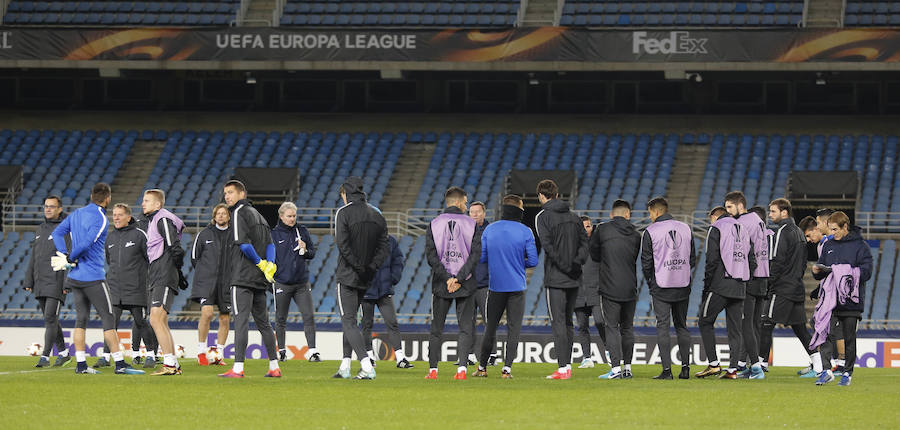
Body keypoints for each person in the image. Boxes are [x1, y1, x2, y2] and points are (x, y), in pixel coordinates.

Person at [50, 183, 142, 374]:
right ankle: (119, 364)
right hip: (93, 277)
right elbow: (86, 244)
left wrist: (64, 254)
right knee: (108, 318)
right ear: (107, 199)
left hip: (75, 276)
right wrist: (70, 257)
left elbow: (57, 233)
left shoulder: (76, 214)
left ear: (92, 195)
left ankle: (81, 365)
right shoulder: (101, 218)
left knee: (81, 319)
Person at [218, 180, 281, 378]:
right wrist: (269, 264)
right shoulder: (260, 215)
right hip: (259, 280)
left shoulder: (238, 213)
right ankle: (274, 367)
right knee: (264, 324)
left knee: (241, 322)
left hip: (242, 277)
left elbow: (244, 245)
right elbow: (271, 245)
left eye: (230, 192)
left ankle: (238, 369)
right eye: (225, 193)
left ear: (242, 194)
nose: (227, 196)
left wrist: (260, 263)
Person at [473, 195, 539, 379]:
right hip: (517, 287)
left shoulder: (490, 229)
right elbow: (533, 260)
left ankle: (482, 368)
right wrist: (518, 263)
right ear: (519, 209)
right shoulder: (526, 231)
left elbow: (483, 257)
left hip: (495, 287)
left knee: (490, 327)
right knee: (514, 329)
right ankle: (506, 369)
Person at [695, 201, 760, 380]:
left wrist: (707, 286)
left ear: (714, 217)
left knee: (705, 322)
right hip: (740, 287)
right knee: (735, 329)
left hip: (720, 286)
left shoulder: (717, 228)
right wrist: (744, 279)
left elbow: (711, 260)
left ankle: (714, 365)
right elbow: (752, 261)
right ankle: (732, 370)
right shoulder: (744, 230)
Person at [332, 177, 390, 380]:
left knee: (348, 321)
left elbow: (343, 244)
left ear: (345, 193)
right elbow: (385, 247)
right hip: (367, 277)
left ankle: (366, 365)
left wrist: (357, 266)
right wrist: (371, 267)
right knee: (352, 322)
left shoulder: (343, 212)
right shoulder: (377, 214)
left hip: (348, 275)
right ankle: (345, 366)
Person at [336, 234, 413, 378]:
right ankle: (370, 356)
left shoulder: (390, 240)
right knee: (367, 324)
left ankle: (400, 357)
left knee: (392, 322)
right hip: (366, 290)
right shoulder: (363, 241)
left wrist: (393, 278)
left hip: (384, 290)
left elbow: (398, 260)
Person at [760, 198, 821, 378]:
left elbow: (777, 261)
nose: (770, 215)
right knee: (800, 328)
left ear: (784, 212)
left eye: (773, 211)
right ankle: (818, 364)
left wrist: (769, 284)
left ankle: (760, 365)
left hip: (782, 287)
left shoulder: (783, 232)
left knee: (765, 323)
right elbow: (803, 264)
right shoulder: (800, 233)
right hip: (796, 287)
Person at [424, 186, 480, 381]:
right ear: (457, 202)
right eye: (465, 202)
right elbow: (475, 256)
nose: (466, 205)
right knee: (465, 327)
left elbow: (431, 257)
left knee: (436, 328)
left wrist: (447, 278)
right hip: (465, 284)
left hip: (441, 284)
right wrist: (459, 278)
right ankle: (462, 370)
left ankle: (433, 371)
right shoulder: (472, 225)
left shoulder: (433, 224)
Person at [811, 211, 872, 386]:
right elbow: (823, 271)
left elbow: (866, 272)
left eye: (835, 229)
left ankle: (847, 373)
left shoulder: (860, 246)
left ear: (845, 227)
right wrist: (817, 272)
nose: (832, 233)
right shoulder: (829, 244)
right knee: (825, 332)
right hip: (831, 299)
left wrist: (840, 271)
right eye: (830, 229)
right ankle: (826, 370)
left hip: (851, 301)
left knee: (849, 337)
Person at [535, 180, 588, 380]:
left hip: (556, 277)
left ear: (541, 195)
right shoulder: (574, 217)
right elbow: (585, 245)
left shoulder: (542, 216)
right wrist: (576, 265)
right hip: (575, 277)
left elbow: (547, 246)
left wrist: (565, 266)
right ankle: (568, 368)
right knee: (567, 322)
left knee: (558, 322)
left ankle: (563, 367)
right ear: (557, 194)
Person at [642, 197, 696, 380]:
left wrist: (651, 282)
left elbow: (646, 262)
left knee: (663, 326)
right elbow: (692, 258)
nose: (649, 217)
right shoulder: (686, 228)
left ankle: (667, 371)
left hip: (661, 286)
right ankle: (686, 369)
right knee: (682, 326)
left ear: (656, 212)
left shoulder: (650, 231)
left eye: (650, 213)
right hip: (682, 285)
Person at [101, 203, 157, 369]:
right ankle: (105, 357)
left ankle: (151, 355)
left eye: (120, 215)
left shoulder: (140, 235)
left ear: (128, 217)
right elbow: (109, 261)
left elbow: (151, 259)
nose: (116, 218)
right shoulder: (110, 237)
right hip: (115, 289)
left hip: (136, 288)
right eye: (114, 215)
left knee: (141, 322)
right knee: (111, 324)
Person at [591, 199, 640, 380]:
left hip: (609, 287)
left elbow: (594, 254)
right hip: (630, 287)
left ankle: (616, 369)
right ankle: (627, 368)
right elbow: (634, 257)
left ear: (612, 214)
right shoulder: (636, 235)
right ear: (628, 215)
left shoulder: (602, 230)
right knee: (627, 328)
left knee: (611, 328)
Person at [142, 189, 188, 376]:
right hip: (159, 274)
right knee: (161, 320)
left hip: (163, 274)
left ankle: (169, 364)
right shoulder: (155, 220)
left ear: (157, 204)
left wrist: (175, 271)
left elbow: (175, 248)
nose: (143, 203)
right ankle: (172, 363)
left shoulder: (162, 219)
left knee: (155, 319)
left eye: (146, 200)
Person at [724, 192, 768, 378]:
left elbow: (742, 252)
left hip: (750, 277)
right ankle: (751, 365)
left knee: (746, 325)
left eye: (729, 207)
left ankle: (756, 367)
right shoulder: (758, 220)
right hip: (763, 277)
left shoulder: (742, 223)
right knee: (755, 324)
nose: (727, 211)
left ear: (740, 205)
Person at [25, 195, 71, 367]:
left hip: (56, 281)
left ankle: (45, 356)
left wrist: (67, 282)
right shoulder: (40, 230)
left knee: (50, 317)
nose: (48, 209)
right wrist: (28, 279)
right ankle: (64, 353)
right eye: (46, 206)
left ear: (60, 209)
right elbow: (33, 257)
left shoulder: (65, 229)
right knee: (51, 319)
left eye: (52, 206)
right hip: (40, 281)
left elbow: (69, 256)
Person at [271, 202, 319, 362]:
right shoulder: (273, 234)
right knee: (280, 318)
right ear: (281, 216)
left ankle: (312, 351)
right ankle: (282, 351)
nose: (292, 219)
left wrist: (305, 250)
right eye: (289, 216)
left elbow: (312, 253)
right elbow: (268, 258)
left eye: (294, 216)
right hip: (282, 283)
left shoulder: (302, 231)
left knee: (308, 316)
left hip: (301, 283)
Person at [190, 203, 232, 366]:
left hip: (227, 283)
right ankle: (201, 351)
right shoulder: (204, 234)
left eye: (224, 213)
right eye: (218, 213)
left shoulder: (234, 235)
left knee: (224, 319)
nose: (221, 216)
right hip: (206, 282)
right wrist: (205, 272)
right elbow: (194, 258)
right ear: (214, 216)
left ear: (228, 216)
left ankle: (218, 354)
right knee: (207, 314)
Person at [466, 201, 497, 367]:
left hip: (486, 284)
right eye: (472, 212)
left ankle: (492, 354)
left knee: (489, 320)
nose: (475, 214)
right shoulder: (464, 230)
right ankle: (469, 354)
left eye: (478, 212)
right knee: (468, 321)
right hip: (468, 283)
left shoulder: (491, 231)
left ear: (484, 213)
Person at [574, 216, 607, 369]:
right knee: (582, 326)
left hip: (596, 291)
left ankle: (609, 350)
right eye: (582, 226)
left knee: (601, 322)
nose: (585, 229)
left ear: (592, 228)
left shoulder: (598, 246)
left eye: (588, 226)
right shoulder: (572, 248)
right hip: (579, 293)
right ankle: (587, 358)